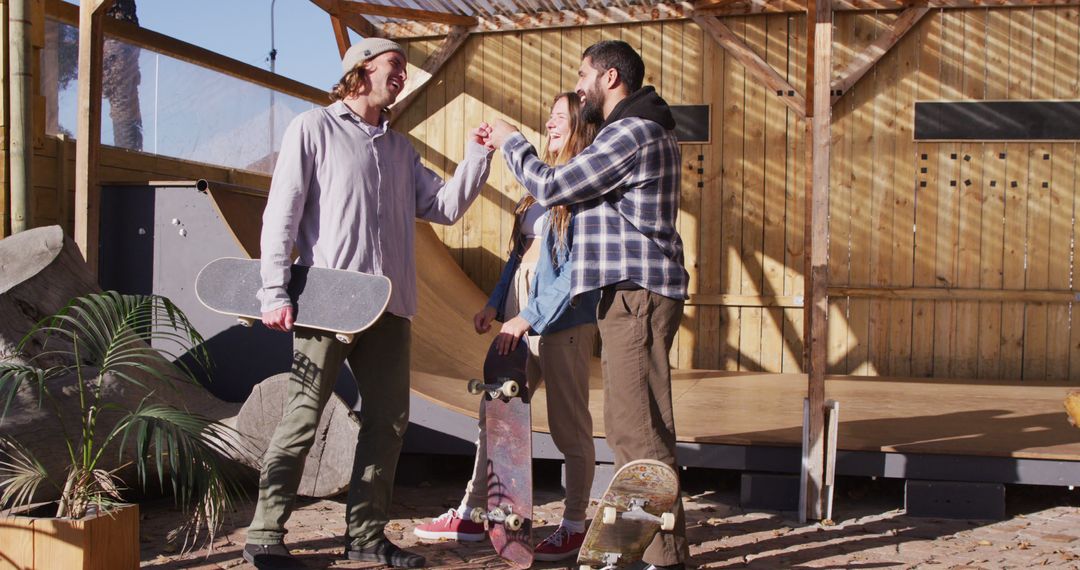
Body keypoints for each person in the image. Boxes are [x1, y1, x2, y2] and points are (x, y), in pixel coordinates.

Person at [242, 37, 494, 570]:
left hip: (390, 308)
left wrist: (477, 157)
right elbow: (281, 213)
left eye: (404, 68)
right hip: (326, 305)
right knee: (302, 419)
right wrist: (273, 289)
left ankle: (365, 537)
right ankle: (265, 535)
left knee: (389, 422)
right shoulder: (313, 128)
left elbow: (444, 207)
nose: (402, 75)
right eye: (395, 65)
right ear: (361, 69)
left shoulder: (401, 150)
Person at [487, 40, 690, 570]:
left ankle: (663, 560)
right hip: (632, 293)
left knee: (636, 431)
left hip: (637, 294)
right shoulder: (638, 129)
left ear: (611, 78)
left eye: (583, 75)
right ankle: (659, 552)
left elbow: (554, 185)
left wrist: (513, 144)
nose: (578, 86)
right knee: (636, 427)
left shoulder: (633, 132)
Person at [413, 92, 601, 562]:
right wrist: (495, 305)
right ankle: (475, 513)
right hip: (520, 319)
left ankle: (575, 523)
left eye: (561, 117)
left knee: (568, 427)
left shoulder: (584, 186)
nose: (551, 123)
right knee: (494, 418)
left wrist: (526, 317)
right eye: (550, 116)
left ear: (580, 124)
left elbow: (577, 273)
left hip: (562, 323)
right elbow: (519, 256)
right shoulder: (537, 187)